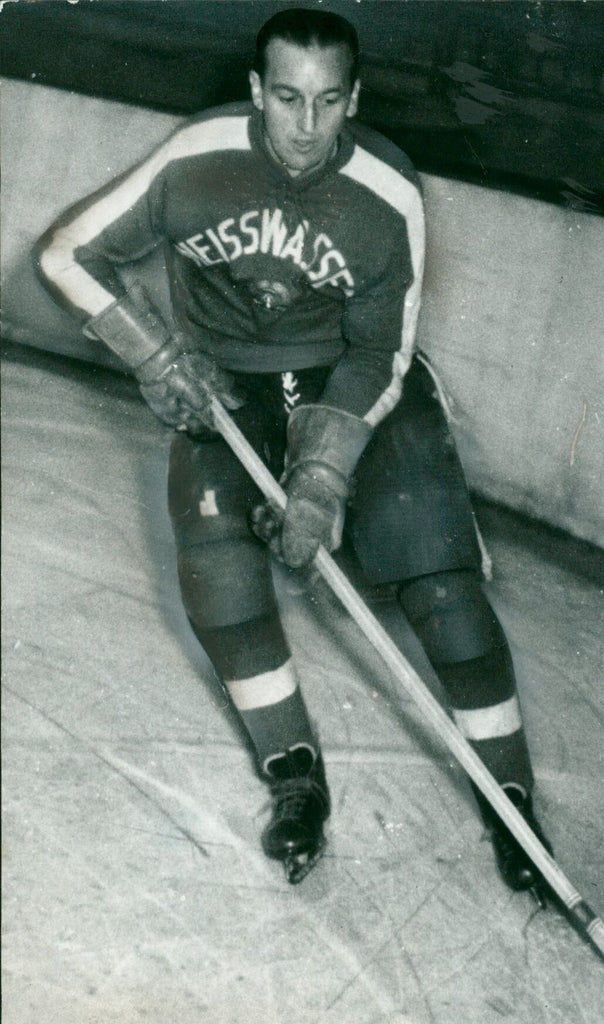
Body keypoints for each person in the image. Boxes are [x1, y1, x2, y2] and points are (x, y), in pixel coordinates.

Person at [35, 7, 553, 894]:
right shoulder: (196, 157)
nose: (305, 128)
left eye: (326, 102)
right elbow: (66, 253)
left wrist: (321, 473)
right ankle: (295, 774)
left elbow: (381, 352)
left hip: (353, 385)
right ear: (255, 92)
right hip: (227, 387)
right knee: (220, 587)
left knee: (441, 589)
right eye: (286, 98)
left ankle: (511, 797)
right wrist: (155, 351)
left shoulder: (388, 195)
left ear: (352, 98)